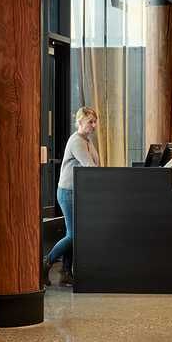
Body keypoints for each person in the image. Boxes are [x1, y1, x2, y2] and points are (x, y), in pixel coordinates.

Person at [44, 106, 100, 288]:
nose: (94, 125)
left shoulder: (87, 141)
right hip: (68, 192)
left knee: (73, 233)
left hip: (78, 192)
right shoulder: (76, 141)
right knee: (74, 234)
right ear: (79, 122)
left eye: (95, 121)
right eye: (90, 122)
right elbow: (90, 167)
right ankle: (46, 263)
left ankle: (66, 273)